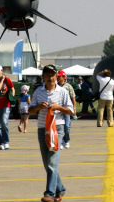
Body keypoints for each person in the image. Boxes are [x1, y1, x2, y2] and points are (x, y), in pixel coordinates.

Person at [28, 65, 74, 202]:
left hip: (57, 128)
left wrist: (58, 107)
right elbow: (30, 111)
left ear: (57, 77)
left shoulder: (63, 92)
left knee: (52, 162)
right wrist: (38, 107)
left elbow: (71, 111)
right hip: (43, 129)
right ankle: (61, 189)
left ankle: (49, 194)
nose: (51, 78)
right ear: (43, 77)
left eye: (53, 75)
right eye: (47, 75)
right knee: (46, 163)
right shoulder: (38, 92)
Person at [57, 70, 76, 149]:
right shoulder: (55, 86)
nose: (57, 78)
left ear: (64, 77)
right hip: (58, 109)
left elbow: (73, 97)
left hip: (67, 109)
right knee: (60, 126)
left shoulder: (68, 86)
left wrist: (74, 108)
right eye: (57, 76)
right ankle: (61, 142)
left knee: (67, 126)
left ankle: (66, 140)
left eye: (59, 76)